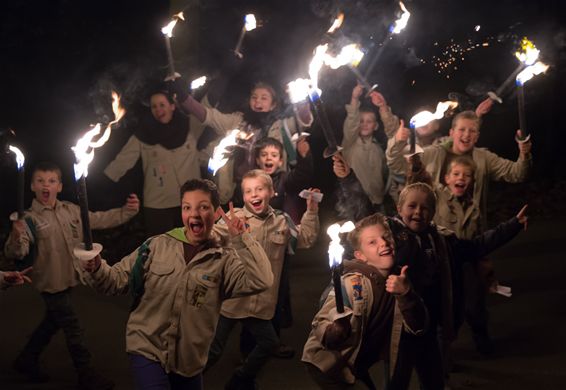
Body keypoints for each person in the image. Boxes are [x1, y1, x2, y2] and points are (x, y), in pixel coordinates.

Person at [82, 178, 273, 390]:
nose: (194, 214)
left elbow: (262, 280)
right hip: (148, 349)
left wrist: (241, 239)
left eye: (203, 207)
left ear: (216, 212)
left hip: (189, 362)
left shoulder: (225, 259)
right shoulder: (156, 246)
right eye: (187, 207)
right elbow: (115, 281)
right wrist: (97, 268)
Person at [388, 110, 532, 353]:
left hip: (470, 240)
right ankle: (440, 352)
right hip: (439, 241)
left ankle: (480, 336)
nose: (466, 135)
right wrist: (399, 140)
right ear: (452, 132)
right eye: (461, 129)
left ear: (477, 135)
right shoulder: (434, 154)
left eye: (472, 130)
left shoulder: (483, 158)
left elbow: (518, 173)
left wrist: (524, 153)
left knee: (474, 296)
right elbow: (397, 163)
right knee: (439, 298)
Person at [4, 161, 139, 389]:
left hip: (68, 279)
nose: (46, 185)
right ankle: (85, 373)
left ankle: (26, 360)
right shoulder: (28, 219)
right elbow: (17, 252)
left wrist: (127, 211)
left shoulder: (70, 210)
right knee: (73, 327)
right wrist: (17, 236)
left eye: (52, 181)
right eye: (40, 181)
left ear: (60, 186)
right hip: (50, 284)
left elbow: (97, 219)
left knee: (51, 323)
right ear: (32, 186)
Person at [387, 182, 528, 389]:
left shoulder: (443, 241)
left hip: (429, 326)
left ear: (434, 213)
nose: (418, 212)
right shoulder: (387, 240)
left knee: (433, 380)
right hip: (399, 329)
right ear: (399, 209)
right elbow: (363, 228)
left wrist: (513, 225)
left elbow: (476, 246)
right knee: (397, 381)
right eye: (412, 206)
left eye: (425, 208)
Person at [206, 169, 320, 389]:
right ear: (243, 196)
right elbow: (212, 236)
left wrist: (312, 211)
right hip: (232, 299)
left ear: (272, 192)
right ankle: (186, 381)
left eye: (259, 188)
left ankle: (242, 379)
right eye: (248, 191)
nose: (254, 194)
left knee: (268, 343)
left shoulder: (282, 222)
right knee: (213, 349)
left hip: (261, 301)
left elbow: (306, 238)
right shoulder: (234, 219)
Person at [302, 213, 428, 389]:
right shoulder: (353, 284)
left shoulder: (400, 279)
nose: (383, 243)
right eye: (372, 242)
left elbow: (418, 327)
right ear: (360, 255)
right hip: (329, 365)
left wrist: (407, 294)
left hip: (358, 364)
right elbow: (321, 323)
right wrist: (334, 330)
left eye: (386, 237)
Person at [172, 80, 313, 204]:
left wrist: (302, 102)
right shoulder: (238, 121)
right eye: (254, 97)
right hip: (238, 189)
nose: (258, 101)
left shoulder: (282, 125)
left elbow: (304, 121)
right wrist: (184, 98)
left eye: (264, 98)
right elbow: (209, 116)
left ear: (273, 104)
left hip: (270, 190)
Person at [104, 90, 210, 236]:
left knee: (195, 247)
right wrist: (97, 181)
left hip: (190, 202)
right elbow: (122, 161)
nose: (158, 109)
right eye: (154, 106)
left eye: (162, 105)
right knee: (163, 252)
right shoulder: (144, 133)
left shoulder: (189, 126)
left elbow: (206, 109)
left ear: (172, 106)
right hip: (158, 206)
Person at [337, 84, 390, 215]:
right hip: (354, 204)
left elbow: (386, 175)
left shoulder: (379, 149)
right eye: (361, 121)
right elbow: (351, 122)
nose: (364, 124)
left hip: (378, 204)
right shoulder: (349, 144)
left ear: (376, 126)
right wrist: (354, 98)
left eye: (369, 121)